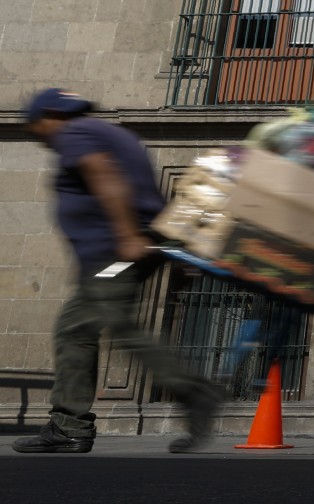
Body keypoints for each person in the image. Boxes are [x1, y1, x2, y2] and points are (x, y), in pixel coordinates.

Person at [13, 88, 221, 454]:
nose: (39, 137)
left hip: (117, 251)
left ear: (50, 115)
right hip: (117, 252)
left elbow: (104, 175)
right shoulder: (105, 132)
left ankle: (192, 389)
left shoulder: (73, 133)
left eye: (36, 128)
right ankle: (69, 425)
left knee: (108, 325)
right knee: (76, 327)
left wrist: (126, 234)